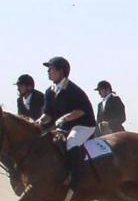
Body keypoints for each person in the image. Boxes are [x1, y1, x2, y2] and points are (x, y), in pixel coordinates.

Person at [38, 56, 97, 187]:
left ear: (61, 71)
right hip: (65, 127)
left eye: (51, 69)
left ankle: (76, 175)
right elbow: (48, 114)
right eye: (48, 69)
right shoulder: (49, 91)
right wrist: (38, 122)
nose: (48, 71)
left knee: (71, 142)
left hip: (83, 125)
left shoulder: (72, 90)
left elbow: (81, 111)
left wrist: (64, 118)